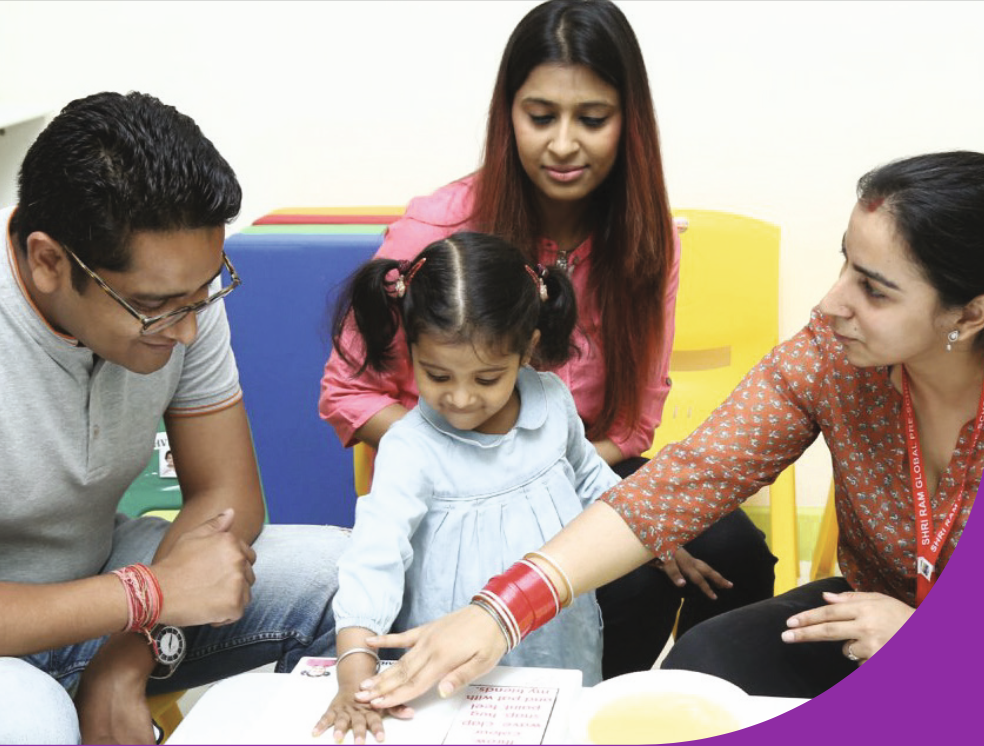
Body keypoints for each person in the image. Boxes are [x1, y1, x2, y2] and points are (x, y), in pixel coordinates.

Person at [347, 150, 984, 706]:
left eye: (873, 290)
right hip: (866, 613)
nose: (829, 302)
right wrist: (500, 612)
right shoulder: (829, 356)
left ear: (972, 310)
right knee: (701, 673)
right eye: (844, 265)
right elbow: (689, 478)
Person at [320, 0, 776, 679]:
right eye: (541, 116)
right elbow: (346, 391)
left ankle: (668, 709)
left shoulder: (648, 241)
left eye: (592, 118)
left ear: (629, 121)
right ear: (509, 116)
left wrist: (583, 497)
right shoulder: (437, 228)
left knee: (729, 552)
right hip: (457, 483)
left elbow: (634, 419)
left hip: (576, 461)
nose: (564, 144)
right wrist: (477, 461)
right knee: (636, 575)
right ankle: (574, 703)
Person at [0, 91, 348, 745]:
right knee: (31, 723)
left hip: (104, 580)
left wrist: (127, 656)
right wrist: (149, 595)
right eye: (157, 307)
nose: (188, 329)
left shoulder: (181, 289)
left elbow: (226, 494)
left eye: (204, 293)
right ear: (48, 260)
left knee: (348, 578)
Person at [313, 233, 617, 742]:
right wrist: (354, 672)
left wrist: (652, 530)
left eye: (485, 379)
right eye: (437, 375)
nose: (459, 398)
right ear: (410, 349)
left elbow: (588, 476)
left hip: (556, 627)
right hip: (451, 654)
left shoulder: (551, 400)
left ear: (528, 350)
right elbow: (374, 558)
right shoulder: (411, 449)